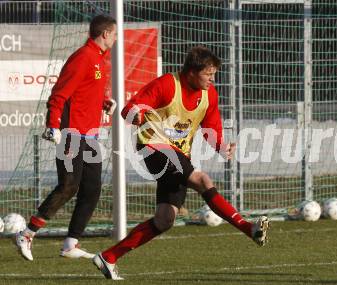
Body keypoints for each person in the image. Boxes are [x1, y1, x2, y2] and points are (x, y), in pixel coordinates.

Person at [92, 45, 270, 280]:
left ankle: (108, 257)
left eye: (214, 74)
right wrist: (135, 113)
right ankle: (249, 228)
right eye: (208, 74)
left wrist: (221, 146)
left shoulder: (209, 94)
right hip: (152, 146)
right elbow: (130, 107)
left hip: (178, 154)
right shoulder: (167, 84)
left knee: (165, 219)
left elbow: (211, 126)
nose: (212, 79)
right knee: (202, 179)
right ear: (192, 72)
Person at [15, 14, 117, 261]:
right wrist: (53, 125)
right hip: (71, 133)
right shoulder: (83, 57)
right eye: (114, 34)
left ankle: (70, 243)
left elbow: (86, 92)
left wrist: (105, 102)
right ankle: (27, 233)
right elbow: (59, 94)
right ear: (105, 34)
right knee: (69, 186)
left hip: (90, 135)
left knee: (92, 189)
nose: (115, 38)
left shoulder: (101, 60)